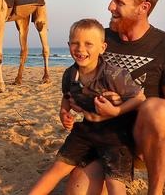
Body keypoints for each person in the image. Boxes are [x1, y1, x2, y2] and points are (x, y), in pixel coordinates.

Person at [64, 0, 165, 195]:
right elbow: (78, 79)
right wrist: (72, 103)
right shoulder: (98, 39)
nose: (110, 6)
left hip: (141, 140)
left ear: (143, 7)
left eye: (119, 2)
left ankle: (155, 191)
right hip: (102, 139)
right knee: (77, 191)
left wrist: (123, 104)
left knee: (157, 108)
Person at [29, 19, 145, 195]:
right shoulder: (70, 74)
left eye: (88, 44)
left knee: (114, 181)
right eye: (75, 43)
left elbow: (139, 98)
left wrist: (116, 110)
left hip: (115, 136)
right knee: (57, 169)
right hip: (85, 131)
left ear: (102, 48)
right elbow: (67, 96)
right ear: (68, 45)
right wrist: (63, 112)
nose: (80, 49)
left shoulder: (113, 74)